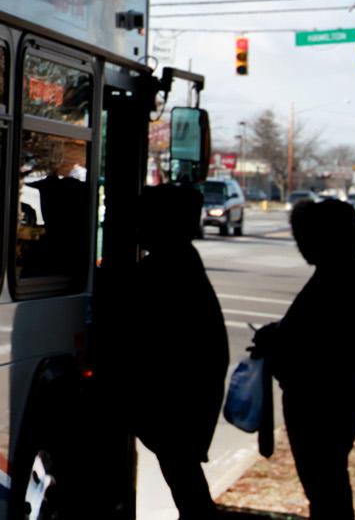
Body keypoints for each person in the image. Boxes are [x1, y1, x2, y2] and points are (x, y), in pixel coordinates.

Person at [252, 198, 355, 519]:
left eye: (304, 238)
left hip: (325, 399)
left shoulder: (338, 279)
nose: (300, 246)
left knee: (325, 485)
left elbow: (320, 340)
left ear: (323, 238)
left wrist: (279, 339)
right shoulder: (346, 274)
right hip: (330, 395)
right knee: (327, 484)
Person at [133, 183, 229, 519]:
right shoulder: (181, 260)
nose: (136, 226)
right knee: (183, 476)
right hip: (189, 395)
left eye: (143, 218)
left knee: (183, 477)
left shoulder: (163, 269)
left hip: (177, 397)